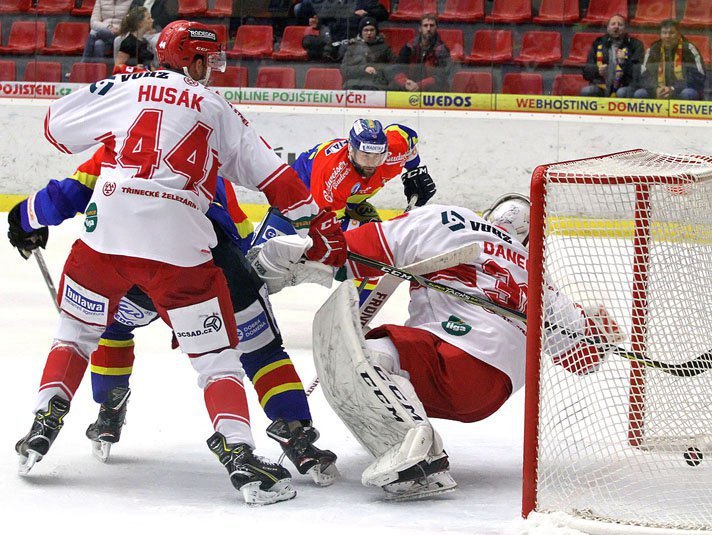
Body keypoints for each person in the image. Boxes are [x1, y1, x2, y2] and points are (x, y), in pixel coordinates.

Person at [12, 20, 346, 506]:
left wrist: (25, 216)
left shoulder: (121, 112)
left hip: (106, 246)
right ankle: (280, 435)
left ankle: (74, 415)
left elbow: (65, 168)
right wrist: (316, 228)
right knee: (237, 352)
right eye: (208, 60)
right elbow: (275, 179)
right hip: (193, 256)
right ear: (194, 60)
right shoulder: (216, 111)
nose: (212, 69)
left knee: (92, 332)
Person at [250, 195, 625, 500]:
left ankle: (421, 459)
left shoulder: (450, 218)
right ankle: (415, 449)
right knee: (393, 370)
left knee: (370, 355)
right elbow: (582, 358)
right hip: (490, 393)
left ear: (489, 215)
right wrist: (602, 332)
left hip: (454, 356)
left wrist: (290, 257)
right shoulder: (536, 274)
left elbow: (350, 253)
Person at [7, 150, 340, 487]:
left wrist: (24, 218)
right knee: (258, 349)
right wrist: (248, 281)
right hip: (199, 270)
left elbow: (69, 192)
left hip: (125, 270)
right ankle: (292, 433)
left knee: (110, 327)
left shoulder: (123, 142)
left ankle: (108, 407)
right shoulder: (206, 148)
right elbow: (240, 231)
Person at [635, 19, 706, 100]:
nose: (667, 36)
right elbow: (644, 75)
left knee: (688, 93)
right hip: (658, 92)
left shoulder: (689, 49)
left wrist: (673, 89)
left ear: (678, 34)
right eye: (664, 33)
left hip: (680, 91)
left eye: (671, 33)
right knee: (640, 93)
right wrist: (655, 89)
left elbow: (698, 75)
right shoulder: (653, 49)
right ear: (660, 35)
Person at [580, 14, 644, 98]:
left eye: (620, 25)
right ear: (608, 28)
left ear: (626, 29)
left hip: (624, 86)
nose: (616, 27)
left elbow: (638, 74)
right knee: (587, 91)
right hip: (601, 86)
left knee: (621, 93)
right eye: (613, 24)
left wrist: (624, 62)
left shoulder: (635, 45)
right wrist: (597, 70)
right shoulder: (598, 43)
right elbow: (586, 72)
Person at [392, 14, 452, 93]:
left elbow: (443, 76)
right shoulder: (409, 47)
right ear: (420, 29)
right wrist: (405, 83)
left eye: (432, 25)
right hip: (409, 88)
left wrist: (420, 85)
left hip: (432, 92)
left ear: (436, 28)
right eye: (425, 25)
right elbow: (397, 69)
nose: (428, 29)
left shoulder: (442, 50)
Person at [340, 16, 396, 91]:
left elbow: (394, 67)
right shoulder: (352, 47)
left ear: (376, 31)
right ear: (361, 32)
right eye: (366, 30)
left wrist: (378, 71)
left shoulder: (384, 47)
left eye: (372, 30)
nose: (369, 33)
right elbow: (344, 70)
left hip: (376, 85)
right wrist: (363, 69)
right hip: (353, 85)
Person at [294, 0, 388, 43]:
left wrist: (366, 13)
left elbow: (383, 14)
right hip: (333, 36)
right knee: (309, 40)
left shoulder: (364, 2)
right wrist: (318, 23)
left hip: (355, 38)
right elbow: (324, 21)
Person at [114, 7, 155, 73]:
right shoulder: (128, 43)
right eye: (148, 18)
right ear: (140, 23)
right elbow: (117, 67)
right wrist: (133, 69)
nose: (152, 20)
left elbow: (149, 65)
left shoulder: (145, 42)